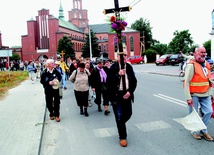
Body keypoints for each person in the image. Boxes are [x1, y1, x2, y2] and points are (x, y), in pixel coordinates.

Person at [107, 49, 137, 147]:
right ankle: (122, 137)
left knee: (128, 114)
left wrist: (130, 92)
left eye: (125, 55)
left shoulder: (129, 67)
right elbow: (108, 82)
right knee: (119, 116)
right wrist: (118, 75)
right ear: (117, 57)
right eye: (121, 55)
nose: (123, 56)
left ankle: (120, 125)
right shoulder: (113, 67)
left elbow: (134, 81)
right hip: (117, 95)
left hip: (127, 94)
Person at [183, 46, 213, 141]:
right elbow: (186, 82)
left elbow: (208, 79)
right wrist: (188, 97)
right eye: (201, 52)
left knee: (209, 112)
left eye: (204, 52)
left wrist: (211, 93)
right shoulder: (191, 65)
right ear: (195, 54)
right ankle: (195, 131)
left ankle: (203, 130)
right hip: (194, 94)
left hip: (206, 93)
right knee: (194, 114)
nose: (203, 54)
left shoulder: (207, 64)